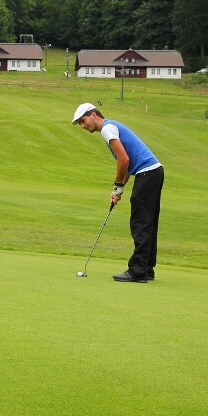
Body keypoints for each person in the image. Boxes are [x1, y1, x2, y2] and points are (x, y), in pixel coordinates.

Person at [72, 103, 164, 283]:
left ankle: (138, 270)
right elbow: (127, 165)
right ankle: (146, 268)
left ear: (93, 114)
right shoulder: (112, 126)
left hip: (147, 174)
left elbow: (123, 160)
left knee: (140, 223)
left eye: (83, 121)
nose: (83, 126)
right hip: (154, 172)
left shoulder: (107, 129)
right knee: (148, 223)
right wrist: (118, 190)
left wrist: (116, 185)